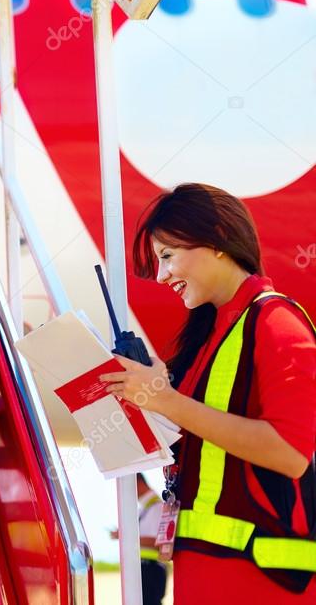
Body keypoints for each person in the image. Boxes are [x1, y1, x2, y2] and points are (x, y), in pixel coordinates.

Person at [100, 183, 316, 602]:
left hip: (261, 580)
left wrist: (166, 400)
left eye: (167, 256)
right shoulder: (207, 338)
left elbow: (291, 453)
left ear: (216, 239)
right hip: (207, 571)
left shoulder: (277, 323)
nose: (161, 276)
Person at [111, 474, 167, 604]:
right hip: (144, 569)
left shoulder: (157, 507)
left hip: (150, 570)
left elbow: (157, 542)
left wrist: (125, 536)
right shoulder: (146, 508)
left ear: (138, 483)